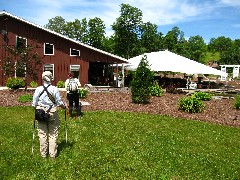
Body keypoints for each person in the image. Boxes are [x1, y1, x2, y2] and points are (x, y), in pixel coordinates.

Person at [32, 71, 66, 158]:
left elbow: (34, 103)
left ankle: (43, 154)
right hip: (52, 112)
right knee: (53, 133)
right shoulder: (54, 89)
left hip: (40, 113)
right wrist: (63, 106)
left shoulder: (38, 89)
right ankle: (52, 155)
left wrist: (38, 107)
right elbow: (58, 102)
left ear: (42, 78)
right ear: (51, 78)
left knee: (42, 133)